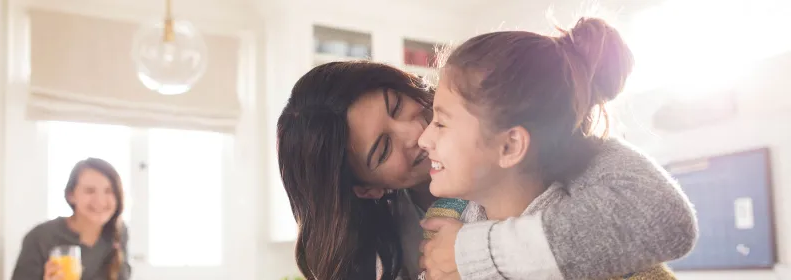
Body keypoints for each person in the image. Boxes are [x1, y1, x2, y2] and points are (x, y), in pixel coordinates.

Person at [276, 61, 696, 279]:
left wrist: (474, 254)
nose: (418, 131)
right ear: (366, 189)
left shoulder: (521, 134)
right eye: (384, 148)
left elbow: (665, 220)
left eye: (398, 104)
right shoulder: (386, 245)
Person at [417, 17, 692, 280]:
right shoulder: (441, 226)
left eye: (441, 123)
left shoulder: (627, 265)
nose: (423, 139)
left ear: (510, 146)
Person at [12, 158, 130, 280]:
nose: (100, 200)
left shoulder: (118, 232)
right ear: (71, 195)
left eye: (108, 191)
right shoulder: (40, 238)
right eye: (90, 191)